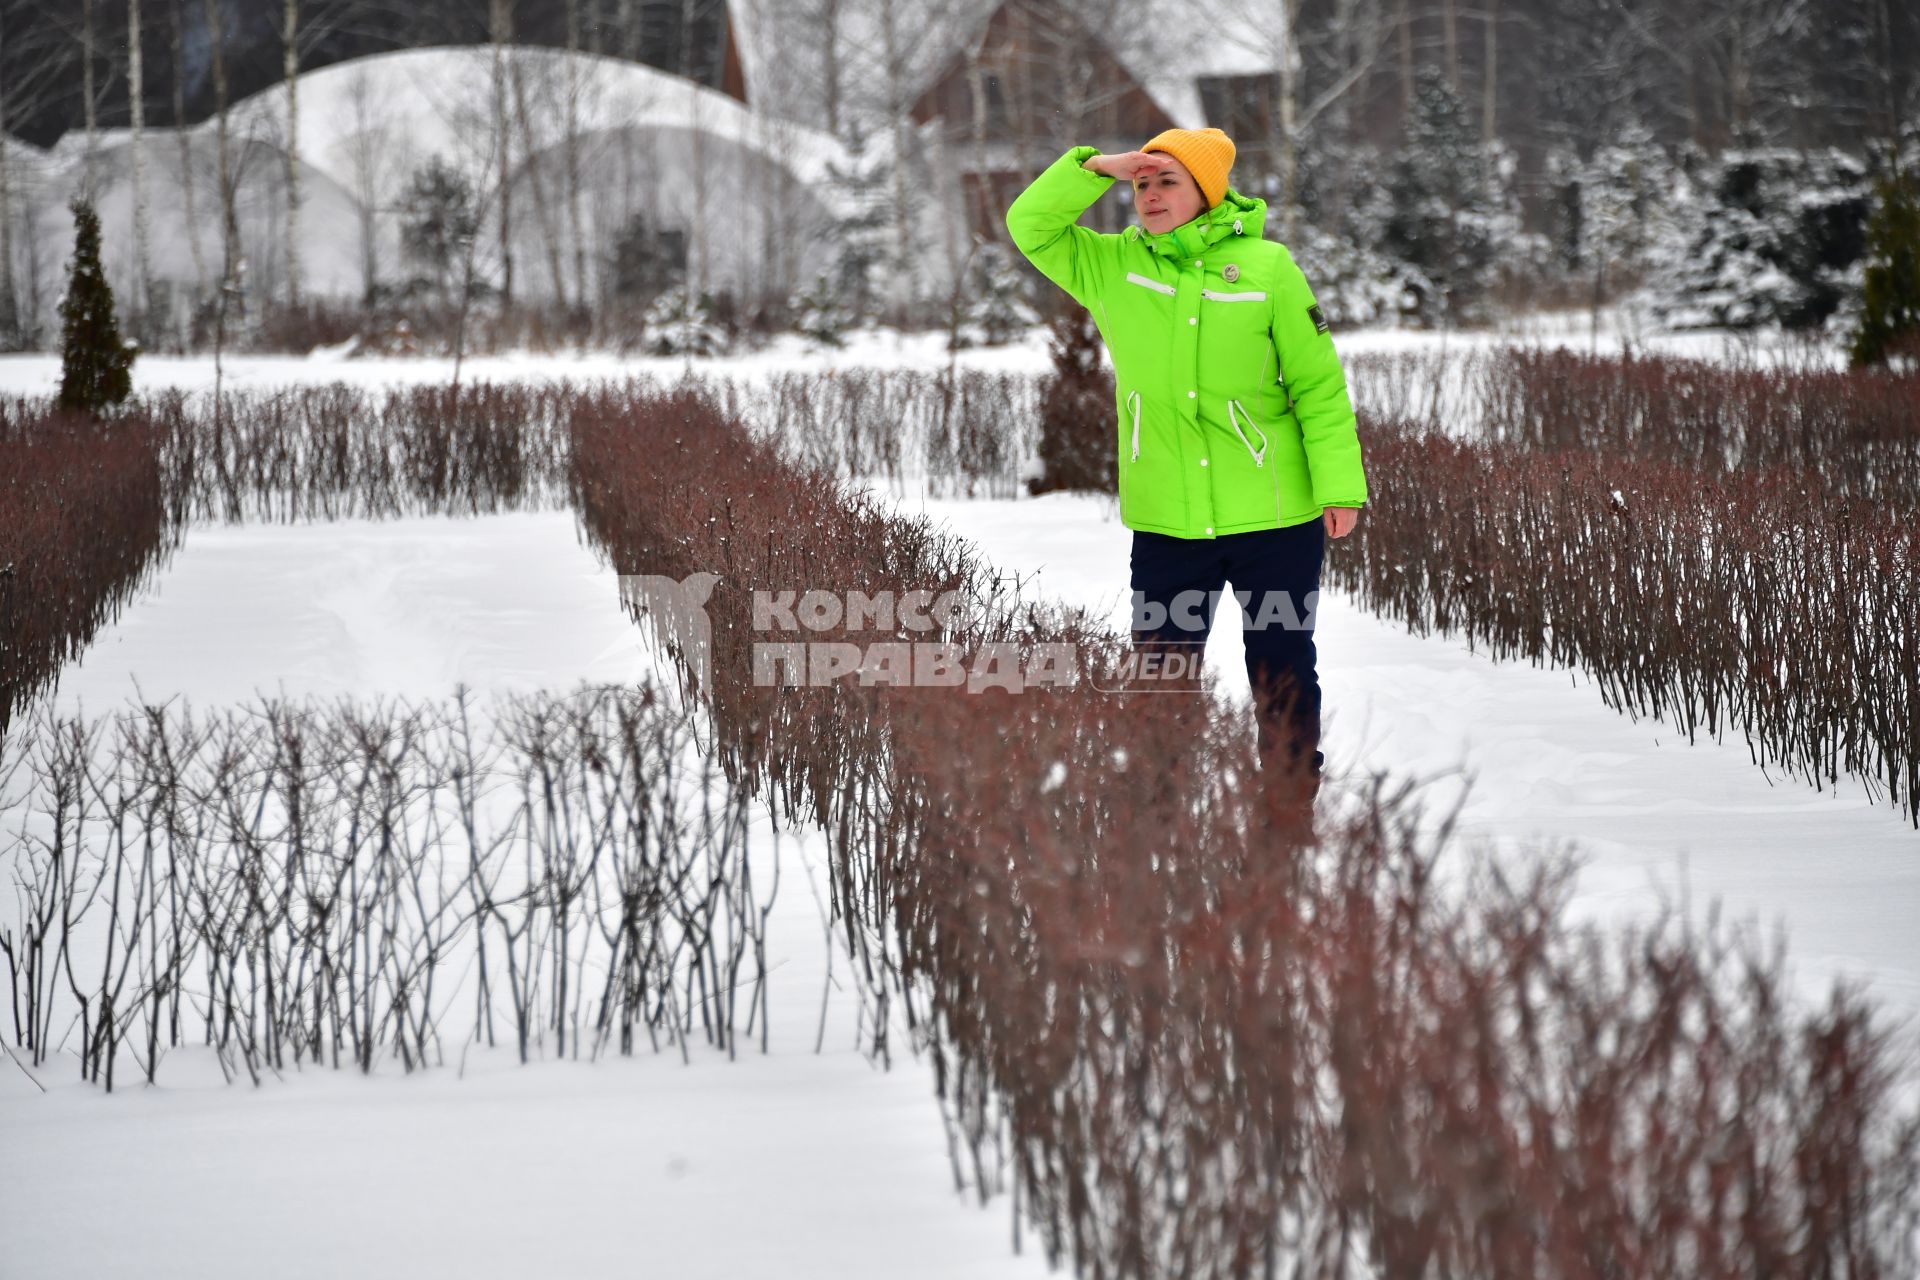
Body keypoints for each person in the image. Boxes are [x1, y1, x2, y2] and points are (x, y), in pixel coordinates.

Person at [1004, 127, 1369, 811]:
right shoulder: (1112, 266)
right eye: (1141, 184)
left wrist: (1339, 486)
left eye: (1166, 181)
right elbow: (1031, 225)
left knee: (1281, 669)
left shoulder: (1269, 269)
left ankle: (1286, 816)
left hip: (1277, 519)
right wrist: (1094, 167)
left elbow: (1318, 385)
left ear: (1206, 189)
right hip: (1169, 524)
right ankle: (1160, 818)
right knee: (1160, 674)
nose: (1148, 194)